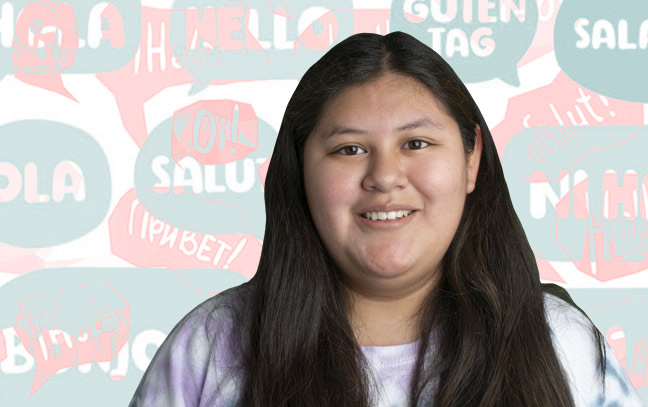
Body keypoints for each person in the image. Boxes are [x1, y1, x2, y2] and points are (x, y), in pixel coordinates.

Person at [129, 32, 645, 406]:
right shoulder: (210, 346)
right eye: (349, 149)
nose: (384, 175)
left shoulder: (563, 344)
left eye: (416, 143)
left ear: (471, 160)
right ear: (299, 171)